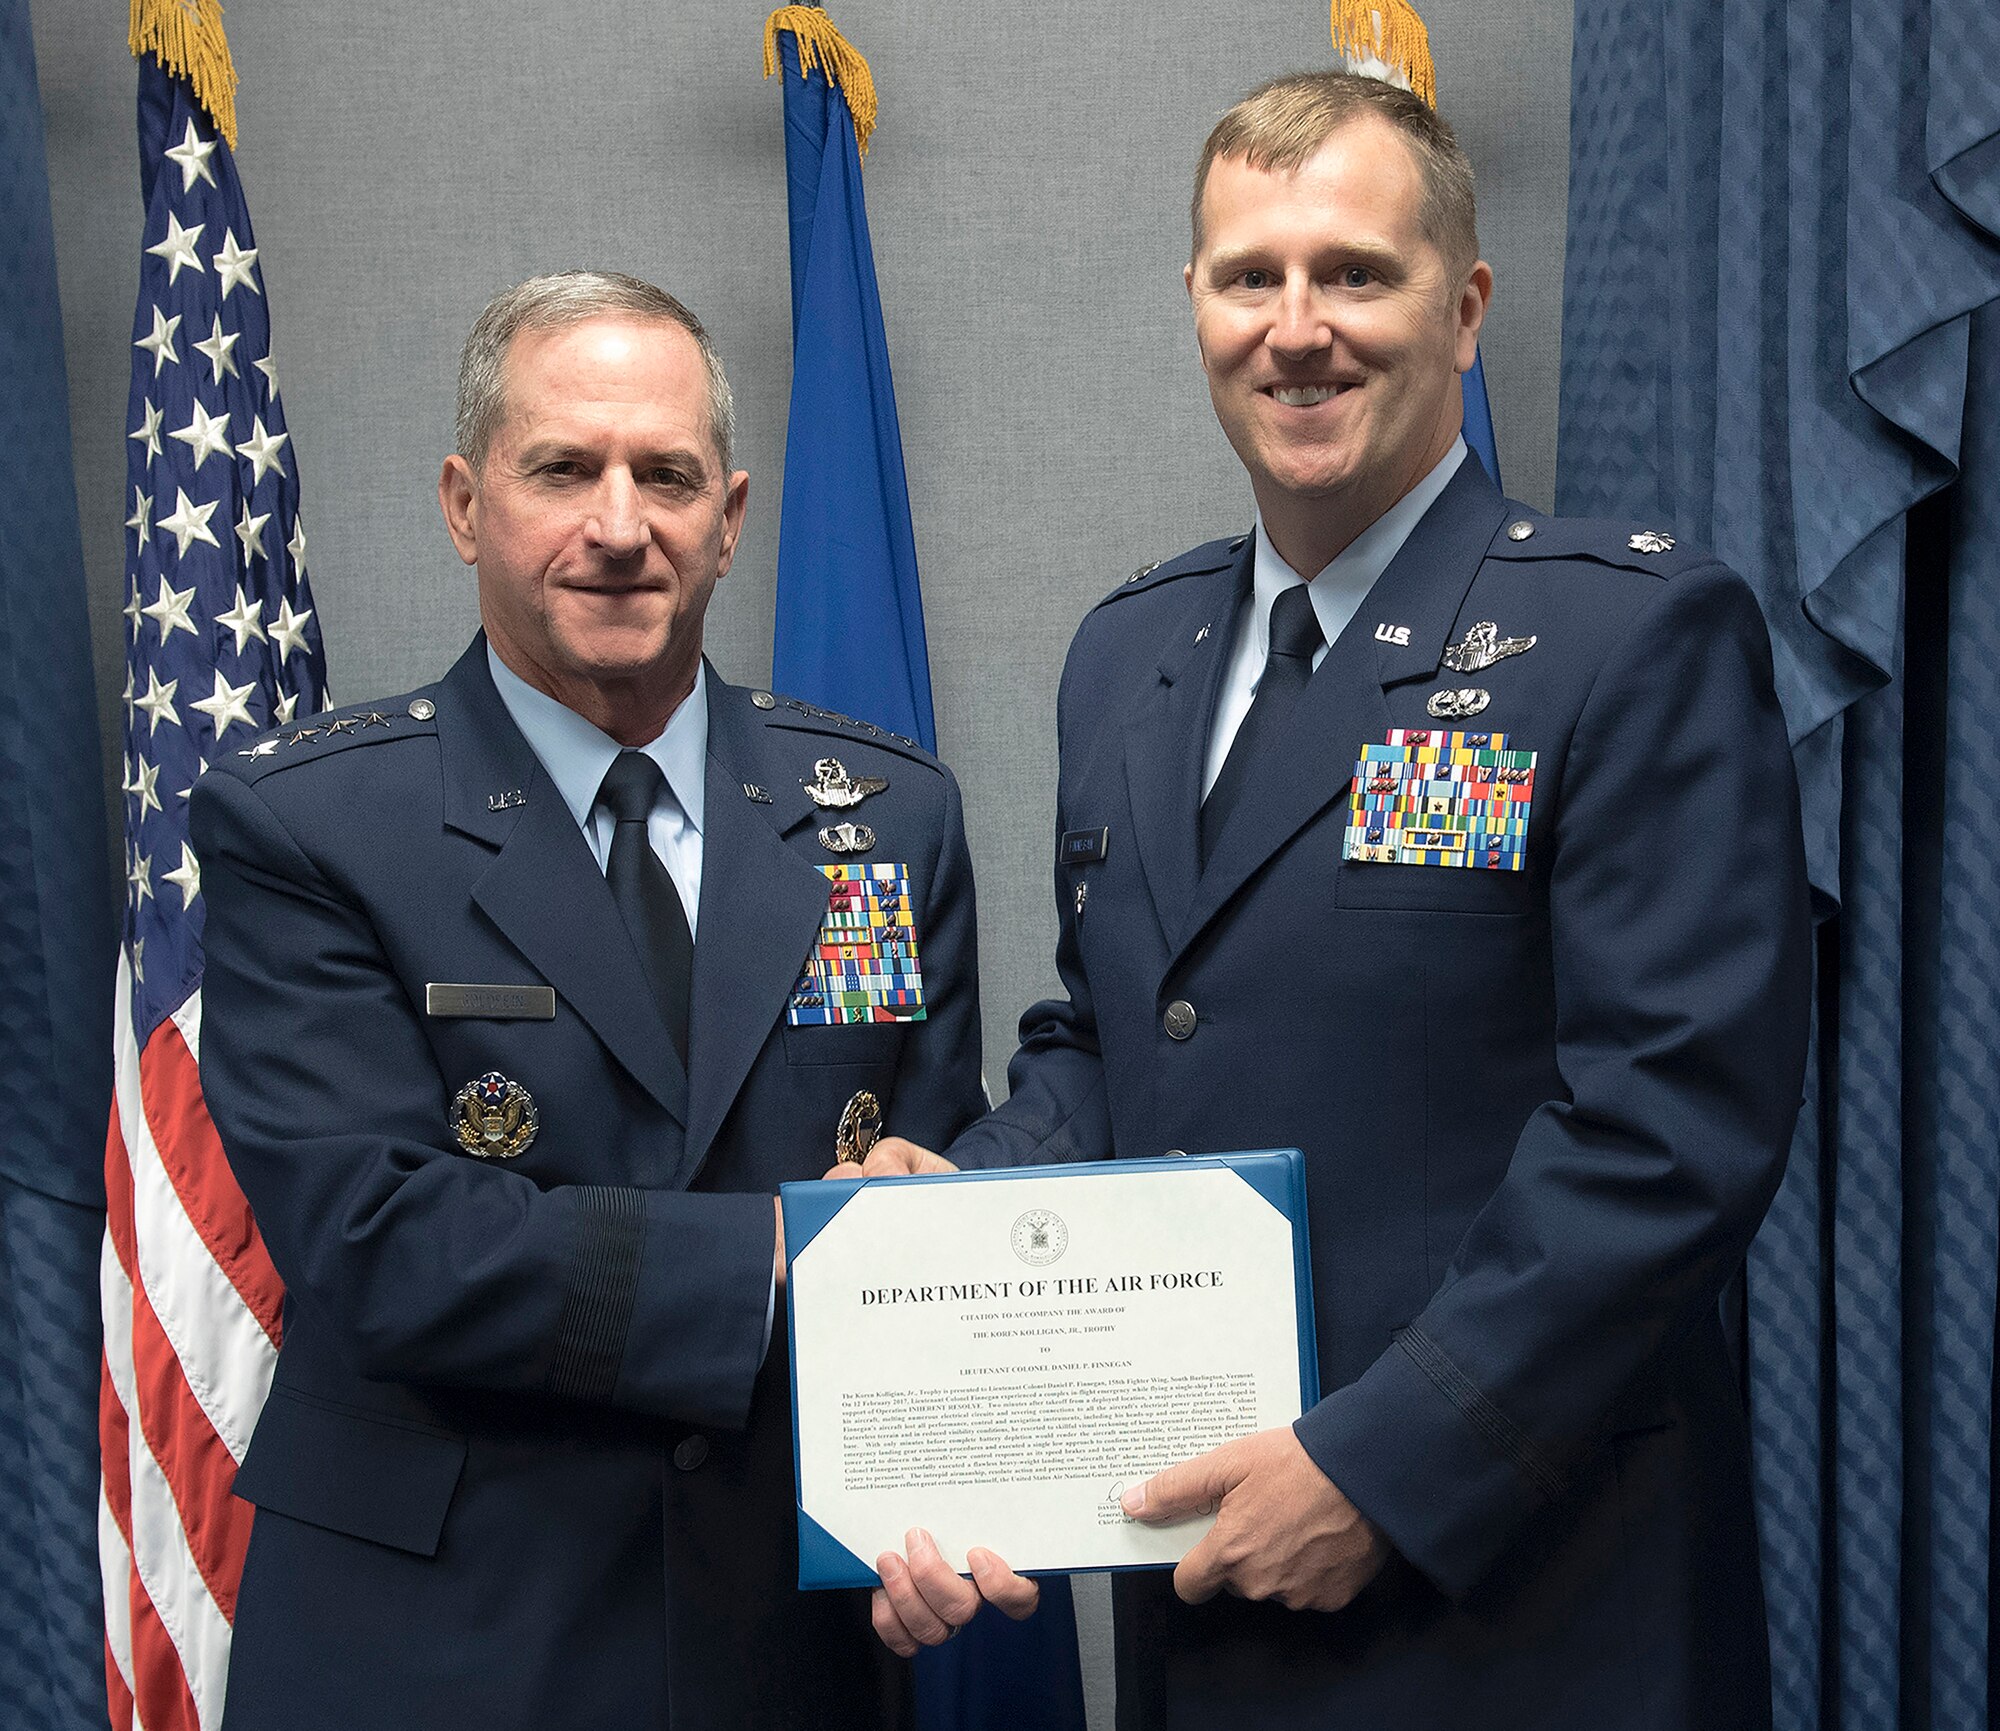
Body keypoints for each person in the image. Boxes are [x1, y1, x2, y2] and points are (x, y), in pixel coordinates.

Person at [857, 73, 1812, 1730]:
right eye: (1251, 278)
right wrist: (947, 1215)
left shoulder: (1626, 638)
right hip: (1199, 1582)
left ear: (1465, 308)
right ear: (1196, 307)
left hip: (1524, 1596)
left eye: (1356, 274)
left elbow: (1673, 1124)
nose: (1297, 330)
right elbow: (1113, 1035)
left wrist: (1381, 1466)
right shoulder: (1125, 656)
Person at [191, 272, 987, 1730]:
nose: (619, 528)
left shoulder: (886, 814)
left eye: (666, 476)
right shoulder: (311, 825)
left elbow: (931, 1182)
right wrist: (779, 1257)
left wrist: (945, 1484)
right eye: (563, 468)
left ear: (731, 517)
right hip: (441, 1642)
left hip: (786, 1643)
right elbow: (379, 1239)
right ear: (461, 501)